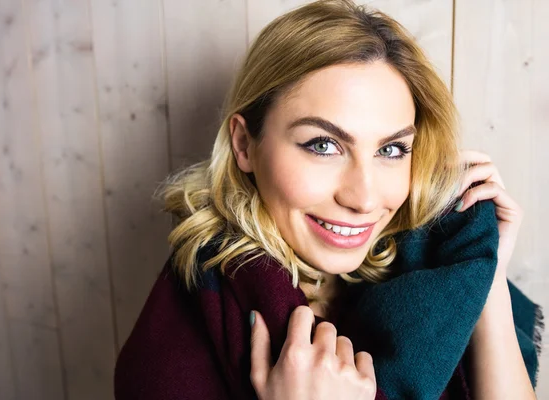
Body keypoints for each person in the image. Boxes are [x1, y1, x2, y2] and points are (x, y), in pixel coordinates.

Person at [114, 1, 535, 399]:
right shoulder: (181, 337)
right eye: (322, 145)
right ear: (244, 144)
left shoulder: (428, 268)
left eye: (390, 150)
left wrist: (484, 269)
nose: (364, 198)